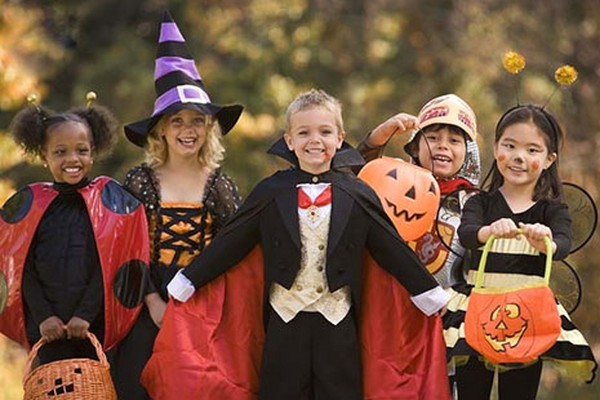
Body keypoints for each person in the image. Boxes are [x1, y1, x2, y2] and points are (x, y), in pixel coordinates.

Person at [160, 88, 450, 399]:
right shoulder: (270, 191)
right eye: (304, 132)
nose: (315, 140)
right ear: (289, 140)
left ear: (339, 138)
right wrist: (189, 280)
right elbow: (232, 241)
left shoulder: (358, 193)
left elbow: (390, 247)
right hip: (284, 321)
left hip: (338, 322)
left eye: (325, 132)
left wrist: (428, 292)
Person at [108, 10, 244, 400]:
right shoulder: (139, 181)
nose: (188, 130)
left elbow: (229, 253)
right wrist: (153, 301)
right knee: (138, 384)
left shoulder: (220, 186)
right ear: (161, 130)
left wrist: (200, 302)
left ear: (209, 128)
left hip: (202, 304)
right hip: (145, 301)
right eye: (177, 121)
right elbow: (126, 249)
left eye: (197, 121)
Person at [444, 105, 597, 399]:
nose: (518, 157)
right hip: (478, 309)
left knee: (519, 392)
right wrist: (488, 231)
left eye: (532, 150)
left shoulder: (552, 210)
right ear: (496, 146)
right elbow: (467, 233)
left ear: (549, 159)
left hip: (527, 313)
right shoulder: (481, 203)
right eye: (509, 146)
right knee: (471, 390)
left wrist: (546, 243)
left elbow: (563, 244)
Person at [0, 93, 148, 366]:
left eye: (82, 150)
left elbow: (111, 264)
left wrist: (85, 315)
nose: (73, 159)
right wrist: (44, 317)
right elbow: (22, 268)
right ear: (43, 156)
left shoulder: (109, 204)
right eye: (60, 151)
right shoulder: (31, 205)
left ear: (94, 151)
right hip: (45, 332)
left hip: (94, 329)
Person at [357, 94, 481, 288]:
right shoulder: (393, 182)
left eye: (454, 140)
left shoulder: (474, 203)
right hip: (386, 303)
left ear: (467, 153)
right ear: (414, 148)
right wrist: (379, 136)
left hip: (445, 311)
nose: (443, 145)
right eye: (432, 138)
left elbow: (477, 269)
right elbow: (354, 179)